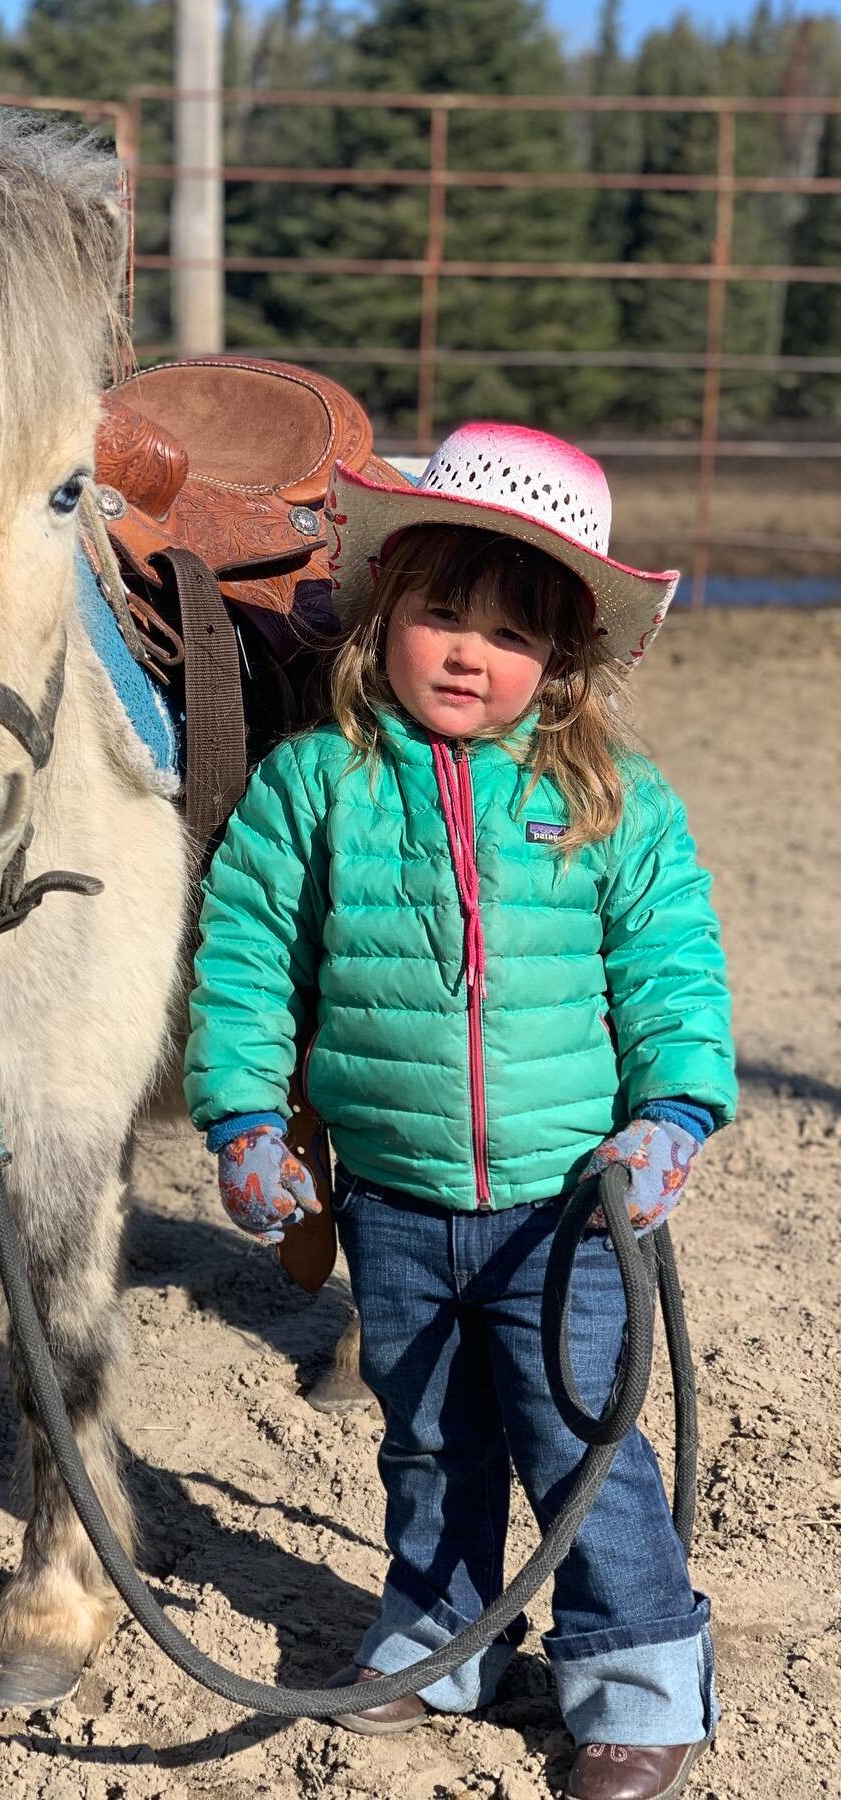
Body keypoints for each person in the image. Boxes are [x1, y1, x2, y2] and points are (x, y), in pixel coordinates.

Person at [184, 422, 736, 1800]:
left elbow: (673, 971)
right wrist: (245, 1119)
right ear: (385, 614)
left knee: (580, 1439)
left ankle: (639, 1672)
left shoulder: (610, 800)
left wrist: (670, 1114)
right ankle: (441, 1635)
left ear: (561, 656)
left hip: (570, 1209)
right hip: (389, 1196)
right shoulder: (315, 787)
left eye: (508, 632)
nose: (467, 654)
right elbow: (246, 957)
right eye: (441, 613)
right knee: (428, 1435)